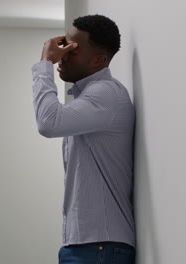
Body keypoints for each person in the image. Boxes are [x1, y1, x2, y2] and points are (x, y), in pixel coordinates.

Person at [31, 14, 136, 264]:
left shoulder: (105, 94)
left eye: (73, 49)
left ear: (99, 60)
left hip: (100, 245)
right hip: (90, 244)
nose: (63, 54)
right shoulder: (90, 98)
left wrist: (44, 63)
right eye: (64, 44)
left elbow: (48, 122)